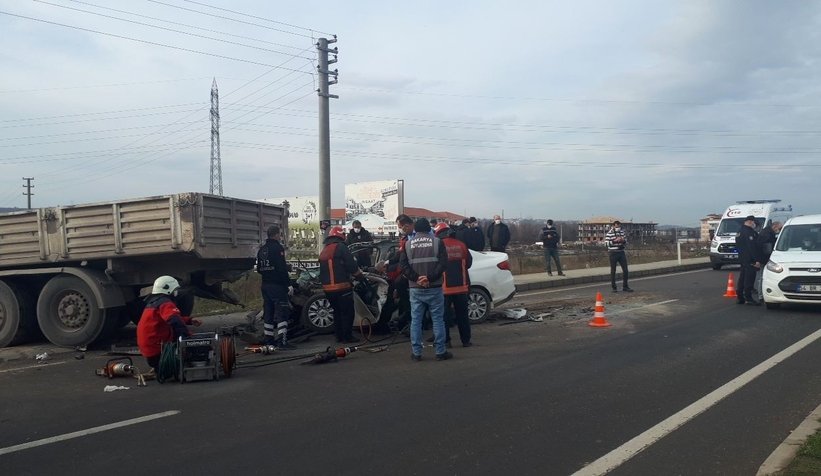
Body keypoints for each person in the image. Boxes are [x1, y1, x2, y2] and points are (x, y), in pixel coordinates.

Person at [400, 218, 452, 361]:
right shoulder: (437, 242)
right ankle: (440, 351)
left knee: (416, 320)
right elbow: (443, 264)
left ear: (416, 229)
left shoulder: (407, 244)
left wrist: (417, 278)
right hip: (434, 287)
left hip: (415, 288)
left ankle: (416, 353)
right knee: (437, 320)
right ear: (428, 229)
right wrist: (429, 278)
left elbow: (403, 267)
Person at [137, 275, 202, 372]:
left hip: (150, 352)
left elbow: (168, 318)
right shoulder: (165, 303)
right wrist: (187, 338)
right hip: (158, 351)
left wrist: (189, 320)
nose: (176, 292)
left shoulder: (152, 302)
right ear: (168, 289)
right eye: (175, 289)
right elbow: (175, 321)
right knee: (194, 342)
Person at [319, 225, 364, 343]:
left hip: (328, 289)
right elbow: (351, 265)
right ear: (341, 235)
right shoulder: (341, 247)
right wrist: (360, 276)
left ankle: (339, 336)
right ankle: (347, 336)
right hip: (342, 287)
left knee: (337, 312)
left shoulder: (325, 249)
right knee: (347, 312)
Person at [434, 222, 473, 347]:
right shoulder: (461, 245)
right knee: (463, 316)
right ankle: (465, 341)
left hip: (445, 289)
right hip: (462, 287)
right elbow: (469, 263)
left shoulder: (438, 246)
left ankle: (446, 341)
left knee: (444, 317)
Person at [256, 225, 294, 348]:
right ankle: (282, 342)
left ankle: (269, 340)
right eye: (280, 234)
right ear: (277, 234)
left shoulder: (262, 250)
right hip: (277, 286)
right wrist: (288, 284)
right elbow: (281, 269)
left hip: (265, 285)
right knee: (282, 313)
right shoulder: (278, 248)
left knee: (268, 313)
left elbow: (260, 269)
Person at [735, 215, 763, 305]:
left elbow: (739, 247)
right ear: (750, 222)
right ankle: (748, 298)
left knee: (742, 278)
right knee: (749, 279)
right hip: (750, 259)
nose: (755, 225)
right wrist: (756, 260)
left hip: (743, 259)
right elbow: (752, 248)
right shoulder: (748, 232)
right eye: (755, 223)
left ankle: (740, 297)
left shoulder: (740, 231)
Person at [755, 221, 782, 297]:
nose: (779, 230)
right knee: (762, 277)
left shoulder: (767, 232)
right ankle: (761, 295)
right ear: (774, 226)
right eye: (779, 228)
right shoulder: (767, 234)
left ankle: (762, 294)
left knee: (763, 277)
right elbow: (766, 248)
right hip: (764, 259)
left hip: (763, 258)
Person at [605, 220, 633, 292]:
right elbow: (606, 244)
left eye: (619, 226)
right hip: (613, 253)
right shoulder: (609, 233)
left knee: (625, 270)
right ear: (613, 226)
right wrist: (614, 240)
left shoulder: (622, 232)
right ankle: (614, 288)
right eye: (616, 226)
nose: (618, 228)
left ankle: (625, 286)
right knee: (613, 270)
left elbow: (626, 241)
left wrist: (622, 240)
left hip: (621, 252)